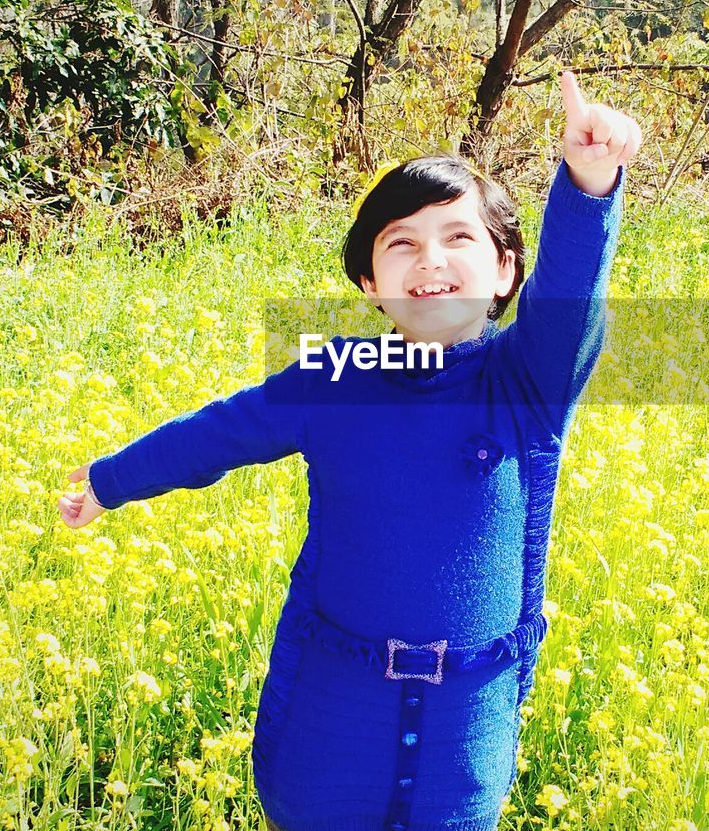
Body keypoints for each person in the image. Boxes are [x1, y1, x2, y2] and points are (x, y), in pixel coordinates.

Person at [58, 70, 642, 831]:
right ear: (371, 281)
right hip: (328, 709)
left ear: (505, 272)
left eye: (459, 238)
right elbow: (219, 433)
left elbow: (571, 292)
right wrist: (110, 481)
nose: (430, 261)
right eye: (402, 244)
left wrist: (589, 183)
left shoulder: (527, 382)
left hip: (466, 729)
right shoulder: (337, 376)